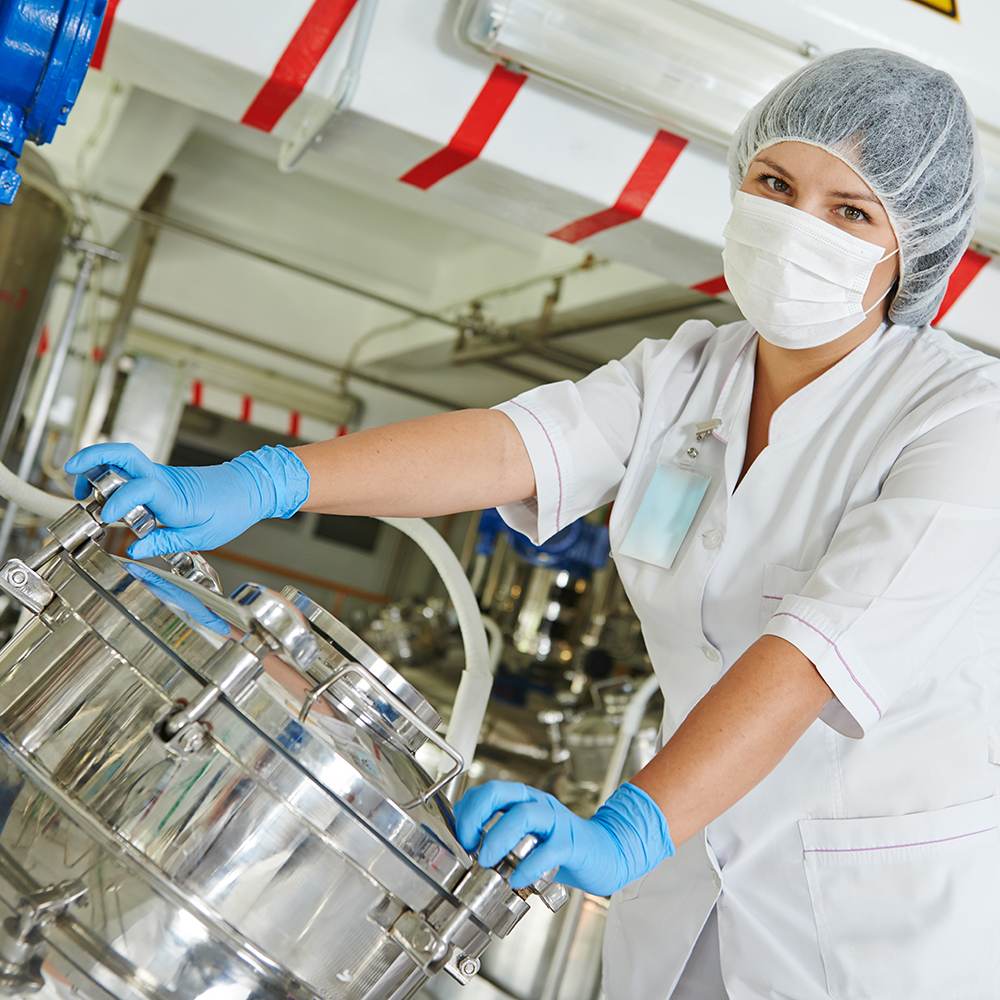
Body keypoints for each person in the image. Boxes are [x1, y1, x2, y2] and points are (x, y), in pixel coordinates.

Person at [65, 48, 1000, 1000]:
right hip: (685, 890)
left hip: (874, 920)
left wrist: (628, 828)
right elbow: (510, 445)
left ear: (911, 248)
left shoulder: (964, 417)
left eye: (850, 212)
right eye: (775, 182)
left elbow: (810, 653)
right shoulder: (686, 374)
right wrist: (260, 482)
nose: (798, 226)